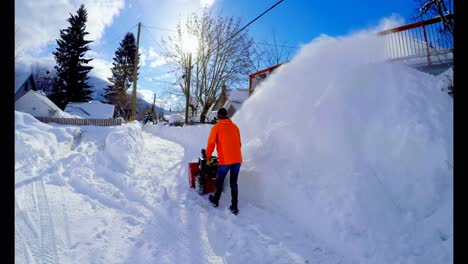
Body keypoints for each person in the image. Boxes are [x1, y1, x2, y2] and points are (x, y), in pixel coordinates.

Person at [206, 107, 242, 215]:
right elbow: (239, 144)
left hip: (226, 161)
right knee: (234, 183)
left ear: (218, 116)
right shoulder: (235, 127)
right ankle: (234, 206)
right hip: (237, 160)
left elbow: (211, 144)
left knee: (220, 180)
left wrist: (208, 157)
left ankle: (215, 201)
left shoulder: (216, 128)